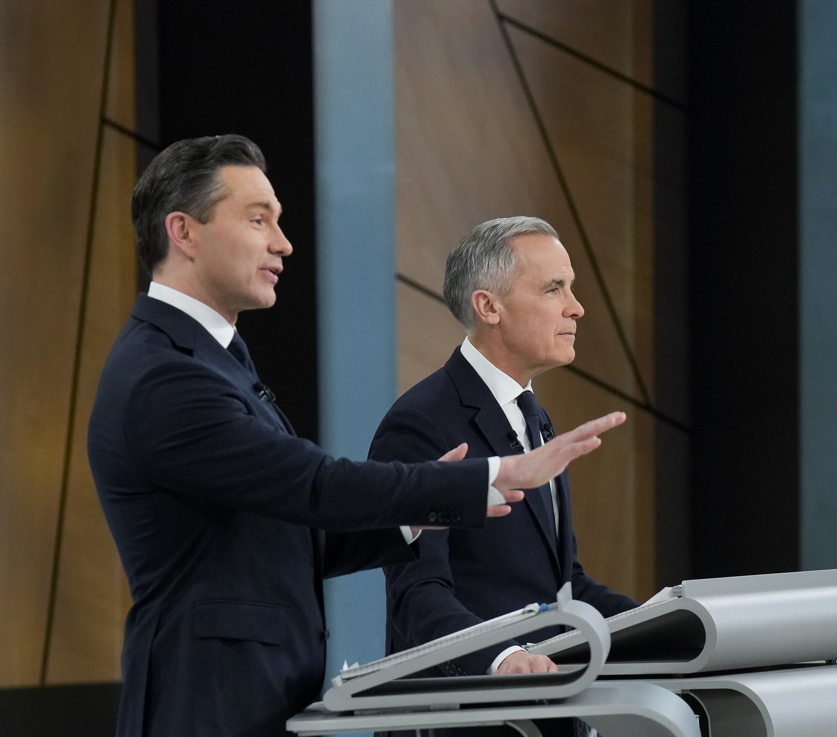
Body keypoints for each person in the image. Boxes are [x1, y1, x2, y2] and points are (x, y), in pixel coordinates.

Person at [87, 136, 624, 737]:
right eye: (258, 219)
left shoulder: (214, 362)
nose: (283, 243)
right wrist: (482, 479)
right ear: (183, 232)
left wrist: (415, 515)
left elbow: (289, 537)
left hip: (247, 697)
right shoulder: (166, 375)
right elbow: (314, 485)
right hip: (203, 702)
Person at [370, 217, 638, 736]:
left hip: (544, 714)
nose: (576, 307)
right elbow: (417, 592)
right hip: (465, 721)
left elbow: (564, 584)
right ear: (489, 307)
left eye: (571, 288)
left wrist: (670, 623)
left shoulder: (534, 417)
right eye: (553, 289)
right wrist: (502, 657)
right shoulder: (421, 424)